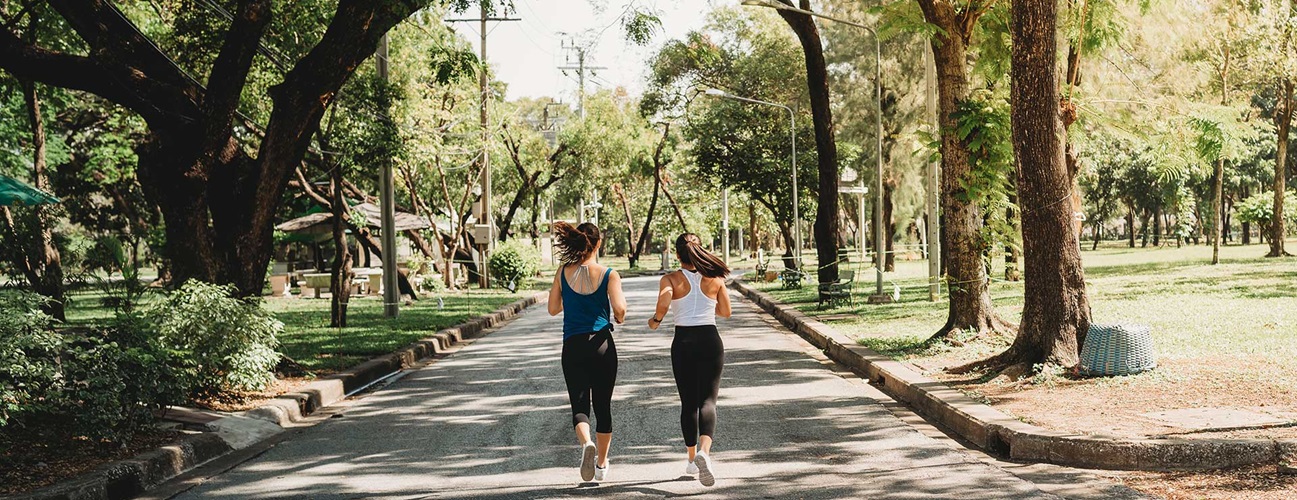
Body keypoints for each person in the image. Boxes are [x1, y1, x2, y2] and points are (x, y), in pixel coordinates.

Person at [648, 233, 732, 487]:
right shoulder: (714, 279)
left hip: (683, 342)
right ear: (700, 251)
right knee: (709, 400)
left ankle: (691, 458)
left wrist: (656, 320)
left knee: (688, 402)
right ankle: (705, 452)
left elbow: (664, 301)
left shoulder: (671, 278)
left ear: (677, 255)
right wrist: (709, 306)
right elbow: (726, 312)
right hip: (710, 339)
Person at [547, 222, 626, 483]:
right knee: (602, 407)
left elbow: (553, 309)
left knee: (579, 406)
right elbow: (621, 310)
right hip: (602, 345)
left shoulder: (562, 272)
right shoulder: (608, 274)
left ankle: (586, 445)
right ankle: (602, 464)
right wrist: (616, 313)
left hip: (573, 346)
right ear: (598, 243)